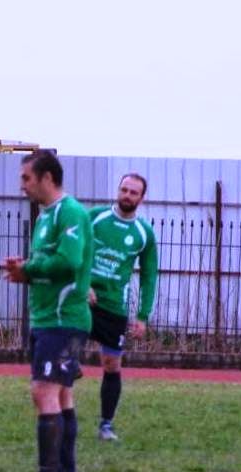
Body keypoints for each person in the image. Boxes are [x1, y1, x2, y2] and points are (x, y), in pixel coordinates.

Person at [4, 151, 93, 472]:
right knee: (62, 393)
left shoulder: (70, 212)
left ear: (47, 178)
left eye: (26, 178)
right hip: (48, 319)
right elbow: (47, 264)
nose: (22, 185)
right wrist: (24, 271)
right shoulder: (45, 217)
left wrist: (29, 268)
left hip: (62, 319)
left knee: (43, 391)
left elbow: (69, 261)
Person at [88, 173, 158, 441]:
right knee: (66, 350)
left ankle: (106, 425)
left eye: (133, 192)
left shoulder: (143, 233)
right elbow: (73, 249)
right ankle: (58, 415)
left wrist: (143, 315)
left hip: (114, 306)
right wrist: (81, 284)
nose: (127, 195)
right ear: (118, 190)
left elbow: (149, 275)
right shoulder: (95, 217)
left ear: (142, 198)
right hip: (83, 299)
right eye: (124, 190)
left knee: (111, 364)